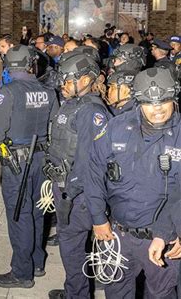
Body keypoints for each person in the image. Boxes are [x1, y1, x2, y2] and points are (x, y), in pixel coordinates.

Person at [85, 67, 180, 298]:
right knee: (116, 292)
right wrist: (98, 218)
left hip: (164, 239)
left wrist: (171, 231)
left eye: (163, 100)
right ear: (138, 101)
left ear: (175, 97)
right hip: (118, 234)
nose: (157, 108)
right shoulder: (116, 127)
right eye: (149, 102)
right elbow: (93, 170)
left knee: (161, 294)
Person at [0, 45, 58, 288]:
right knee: (37, 213)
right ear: (30, 64)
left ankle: (22, 273)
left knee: (19, 216)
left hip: (18, 164)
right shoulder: (48, 92)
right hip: (42, 161)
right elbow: (55, 126)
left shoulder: (9, 92)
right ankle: (37, 262)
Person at [43, 52, 110, 299]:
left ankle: (77, 294)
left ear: (85, 80)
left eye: (68, 79)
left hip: (77, 196)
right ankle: (75, 290)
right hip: (67, 190)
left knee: (72, 250)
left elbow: (86, 163)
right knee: (72, 252)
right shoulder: (74, 104)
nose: (63, 84)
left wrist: (67, 193)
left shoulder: (92, 112)